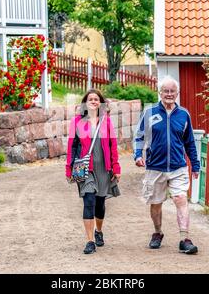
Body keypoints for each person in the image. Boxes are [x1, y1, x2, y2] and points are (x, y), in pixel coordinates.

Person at [133, 75, 200, 254]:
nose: (169, 94)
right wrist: (138, 154)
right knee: (156, 203)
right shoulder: (150, 113)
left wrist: (195, 164)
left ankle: (184, 239)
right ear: (160, 92)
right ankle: (157, 233)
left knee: (180, 199)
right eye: (166, 91)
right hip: (155, 167)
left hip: (178, 167)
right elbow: (139, 136)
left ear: (177, 93)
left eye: (172, 91)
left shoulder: (184, 114)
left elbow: (190, 142)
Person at [65, 89, 121, 254]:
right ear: (85, 103)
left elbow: (112, 145)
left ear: (101, 103)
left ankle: (99, 231)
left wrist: (116, 167)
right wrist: (68, 169)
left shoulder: (106, 122)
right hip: (85, 168)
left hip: (103, 168)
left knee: (100, 204)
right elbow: (72, 146)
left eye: (96, 99)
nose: (94, 101)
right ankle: (89, 241)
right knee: (88, 200)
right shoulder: (77, 122)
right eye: (90, 99)